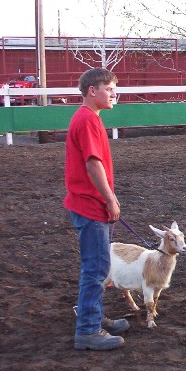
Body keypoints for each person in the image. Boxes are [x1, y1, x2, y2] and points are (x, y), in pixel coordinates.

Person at [65, 68, 129, 351]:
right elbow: (93, 164)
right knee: (96, 268)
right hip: (90, 206)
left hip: (87, 204)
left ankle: (94, 317)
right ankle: (88, 329)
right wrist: (109, 198)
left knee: (97, 266)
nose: (113, 93)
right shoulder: (88, 120)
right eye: (109, 88)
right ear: (93, 91)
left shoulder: (87, 118)